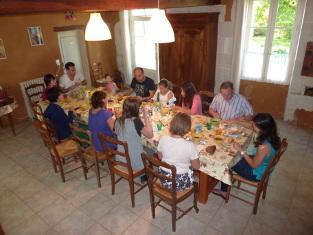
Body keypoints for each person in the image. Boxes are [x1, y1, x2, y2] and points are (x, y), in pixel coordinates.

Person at [212, 113, 281, 199]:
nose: (252, 126)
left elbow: (253, 165)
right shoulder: (273, 137)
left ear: (262, 128)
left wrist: (241, 150)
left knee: (227, 161)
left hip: (254, 174)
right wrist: (237, 121)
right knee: (234, 156)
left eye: (254, 125)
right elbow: (250, 126)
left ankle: (224, 191)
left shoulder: (263, 147)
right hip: (262, 166)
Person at [157, 112, 200, 191]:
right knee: (191, 166)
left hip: (163, 178)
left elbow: (160, 157)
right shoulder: (190, 145)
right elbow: (196, 167)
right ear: (187, 129)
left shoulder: (163, 139)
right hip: (180, 183)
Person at [114, 97, 153, 170]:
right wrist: (146, 114)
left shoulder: (118, 120)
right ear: (136, 110)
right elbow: (150, 135)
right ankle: (145, 174)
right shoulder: (136, 122)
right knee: (152, 150)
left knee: (142, 144)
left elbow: (117, 132)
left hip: (121, 157)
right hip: (133, 161)